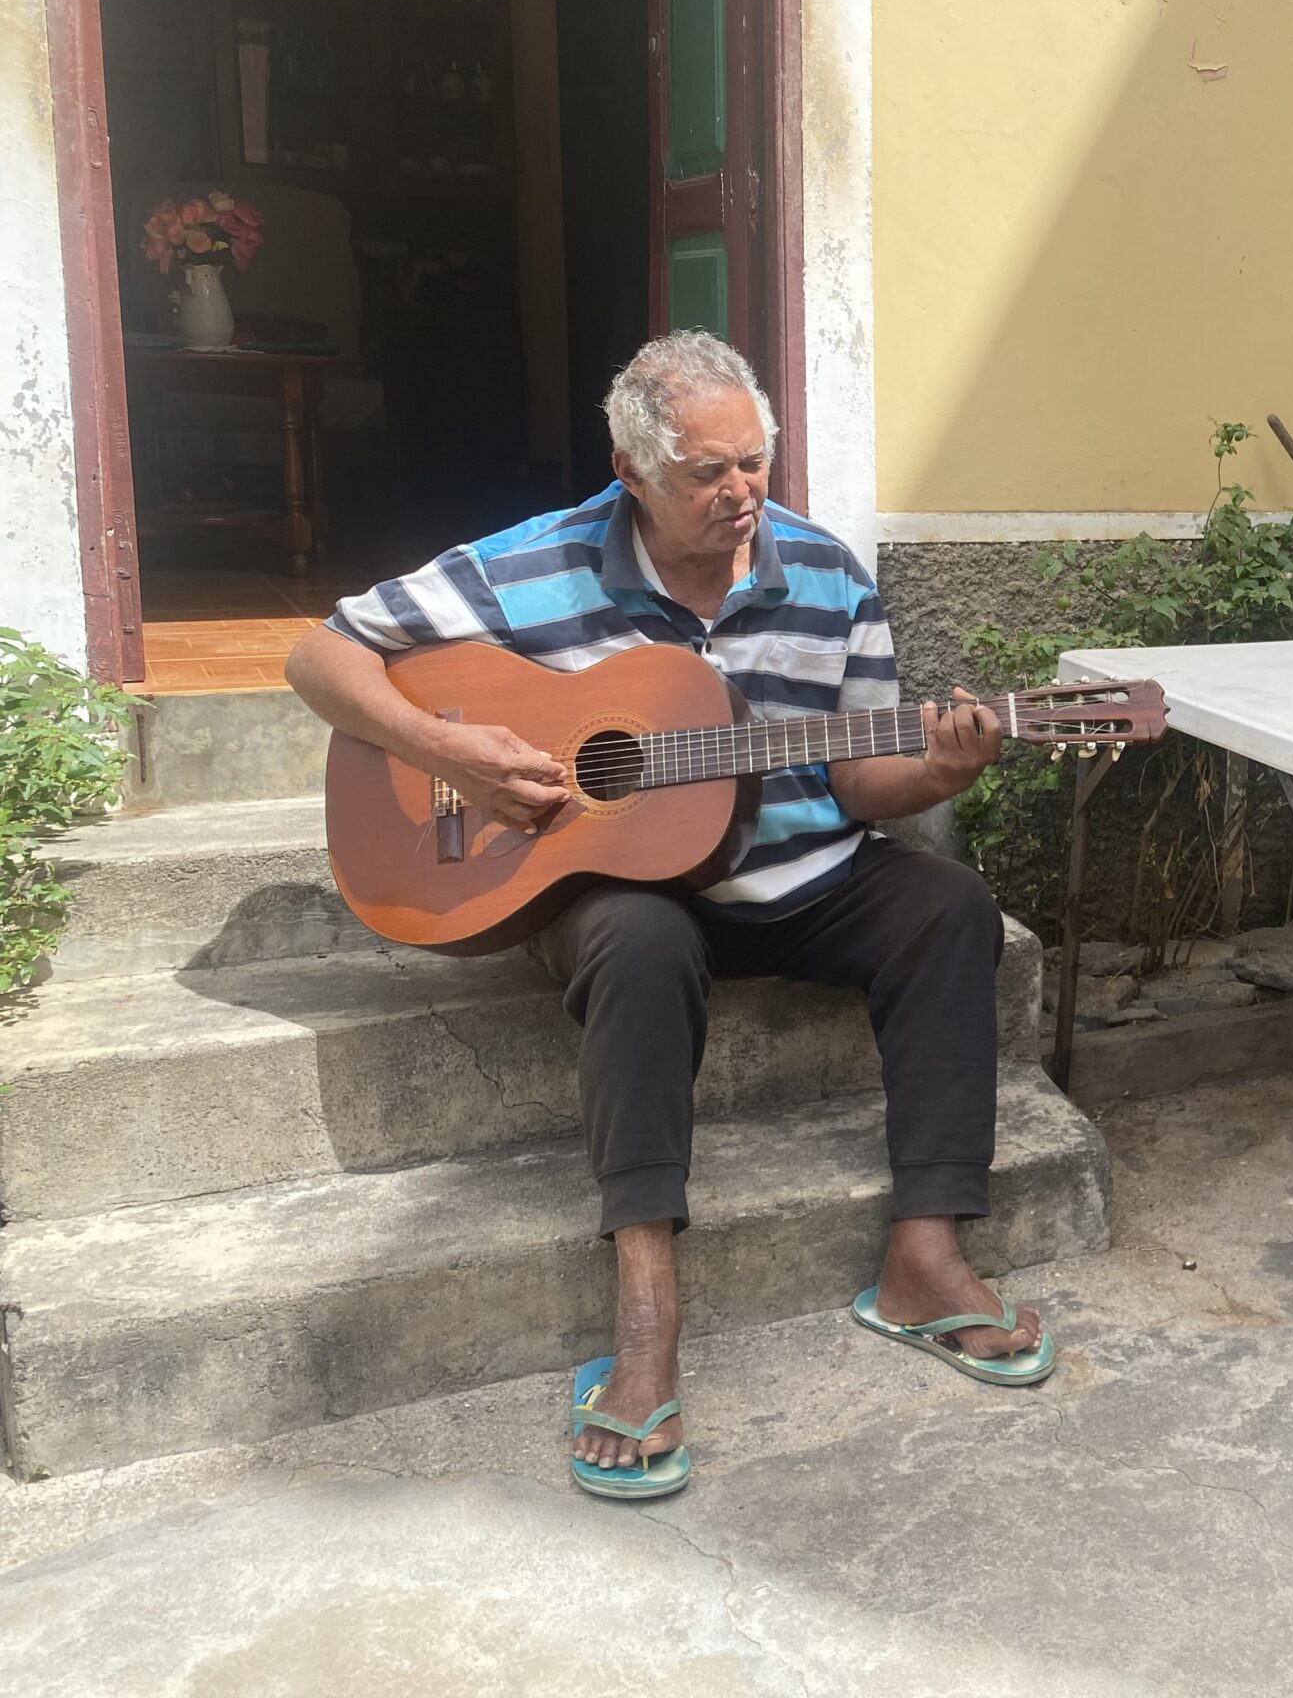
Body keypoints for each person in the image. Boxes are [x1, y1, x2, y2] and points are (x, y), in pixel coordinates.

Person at [286, 331, 1047, 1503]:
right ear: (631, 472)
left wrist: (941, 773)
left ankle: (925, 1252)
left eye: (754, 463)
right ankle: (646, 1310)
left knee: (948, 903)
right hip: (622, 890)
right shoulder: (527, 565)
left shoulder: (827, 574)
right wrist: (448, 750)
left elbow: (858, 782)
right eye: (706, 472)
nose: (741, 492)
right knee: (639, 941)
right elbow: (319, 656)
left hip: (797, 881)